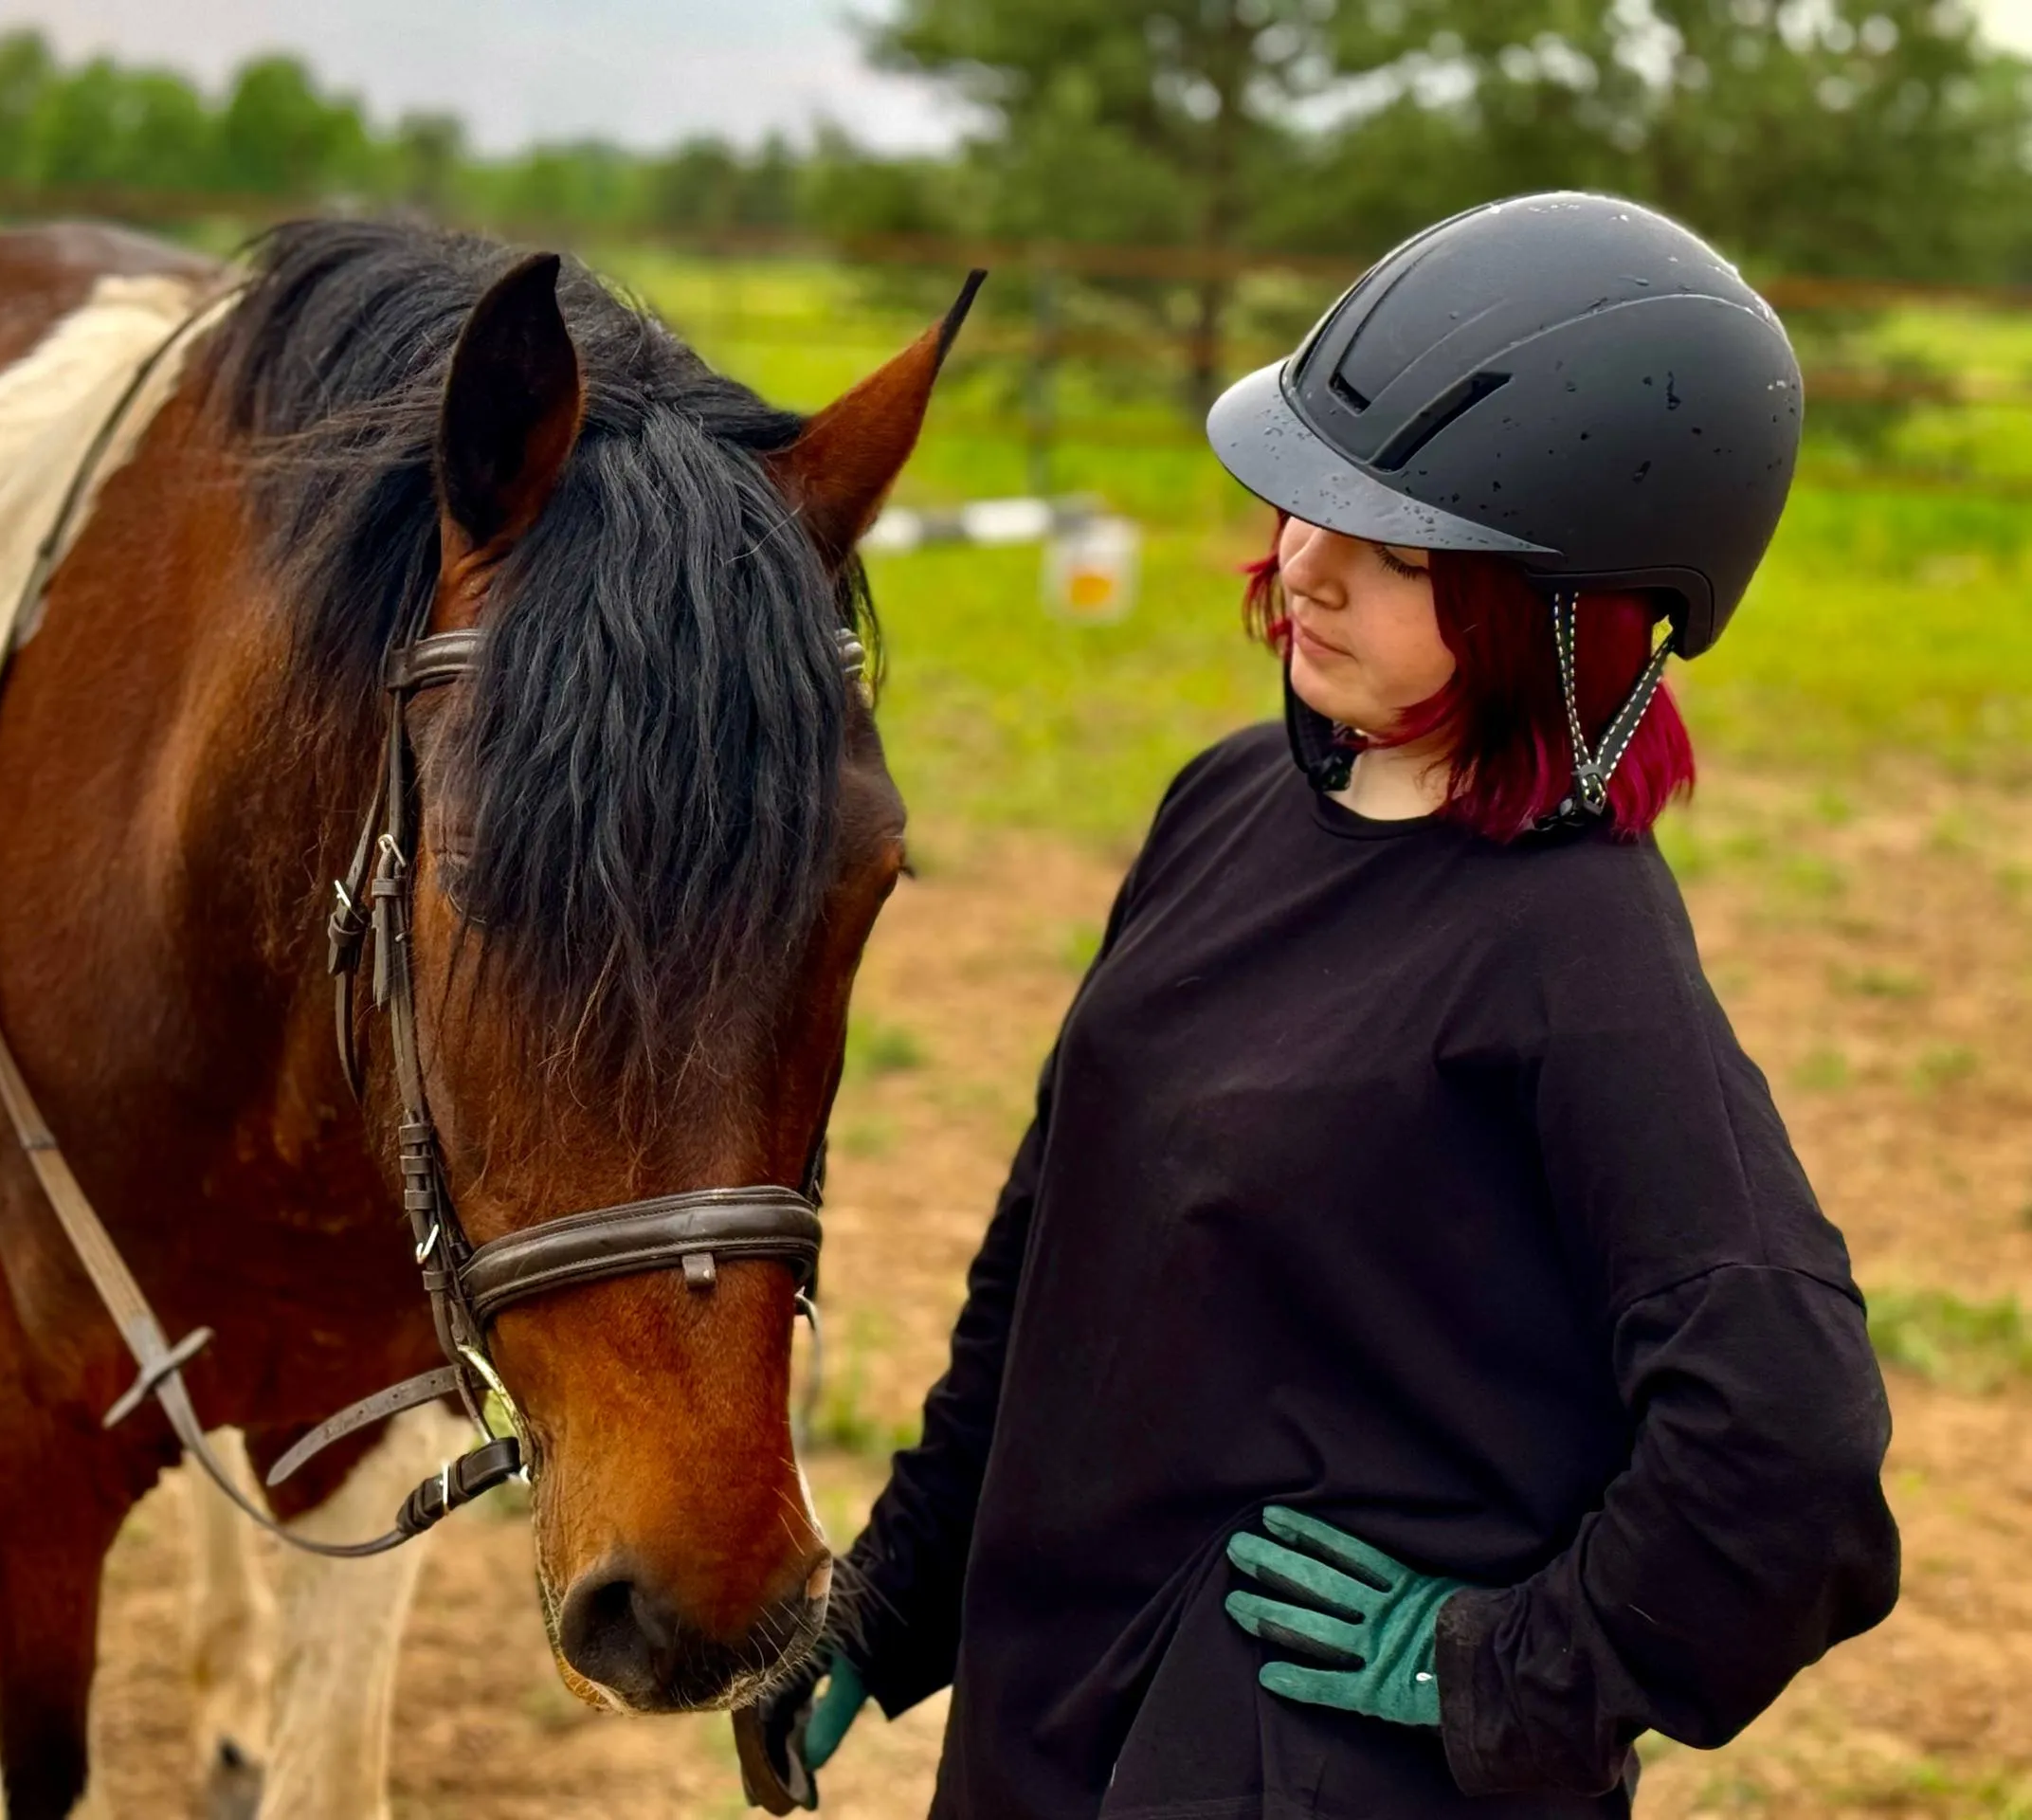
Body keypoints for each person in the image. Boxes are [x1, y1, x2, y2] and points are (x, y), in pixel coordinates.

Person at [736, 192, 1901, 1818]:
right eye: (1302, 504)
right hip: (1049, 1716)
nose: (1307, 570)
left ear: (1572, 611)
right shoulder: (1224, 804)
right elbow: (1058, 1254)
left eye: (1399, 552)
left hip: (1309, 1772)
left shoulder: (1580, 950)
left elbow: (1789, 1433)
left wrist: (1503, 1666)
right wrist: (897, 1591)